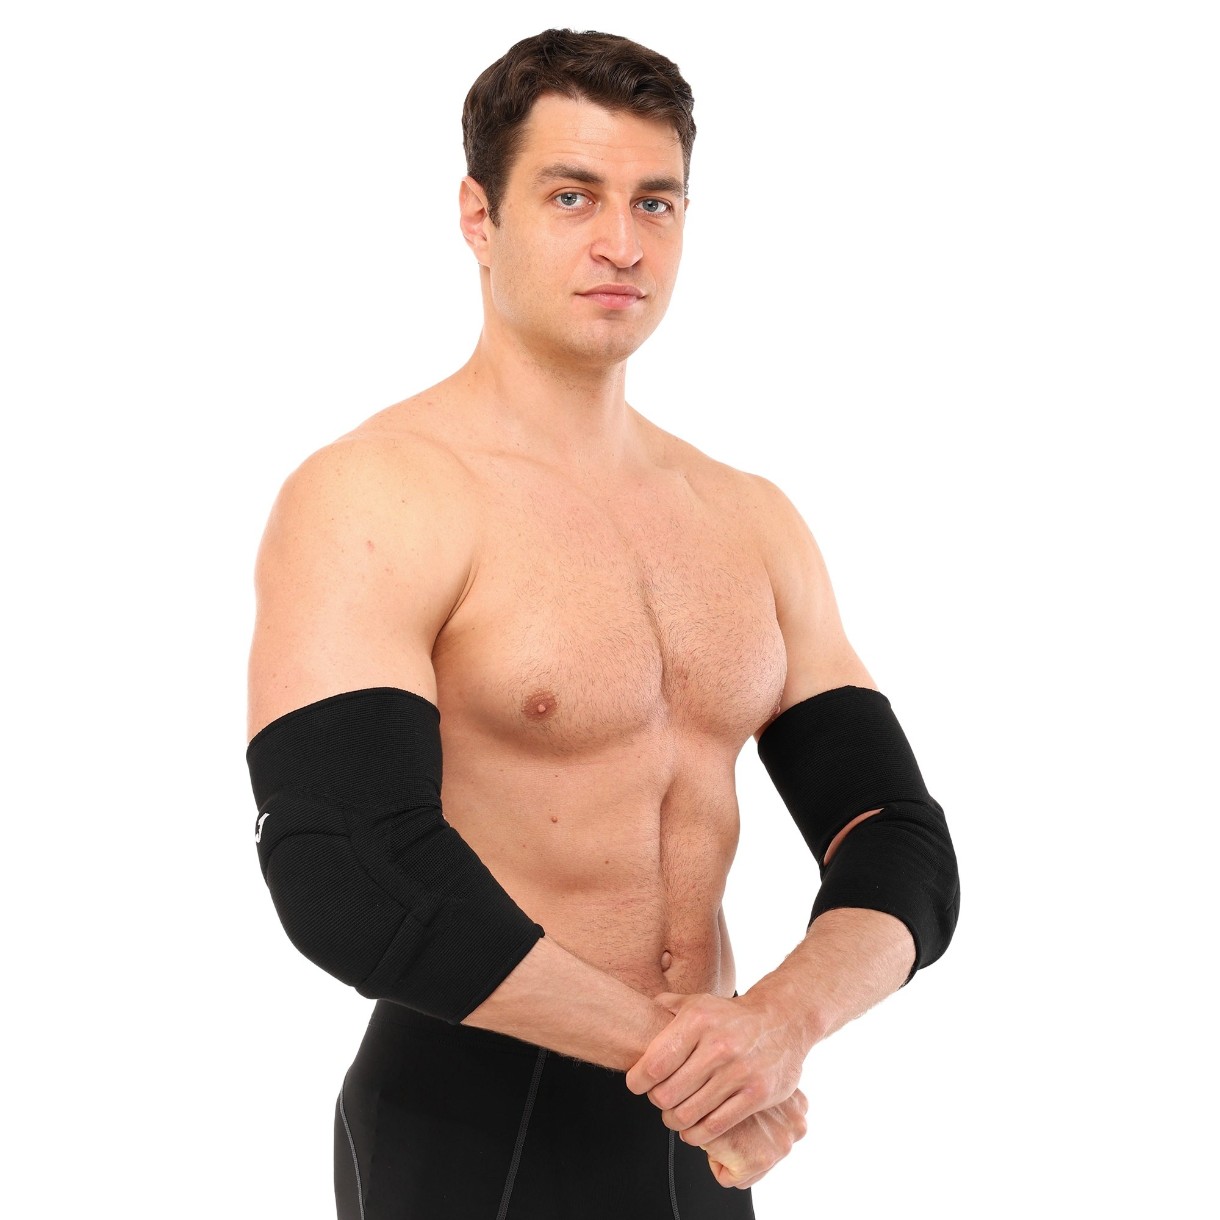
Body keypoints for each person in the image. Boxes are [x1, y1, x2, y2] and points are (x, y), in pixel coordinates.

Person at [246, 28, 959, 1220]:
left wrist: (776, 1026)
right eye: (571, 196)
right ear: (478, 216)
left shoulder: (748, 517)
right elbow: (348, 867)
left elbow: (897, 837)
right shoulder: (380, 493)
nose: (621, 242)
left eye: (654, 202)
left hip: (699, 1135)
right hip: (472, 1131)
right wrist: (693, 1059)